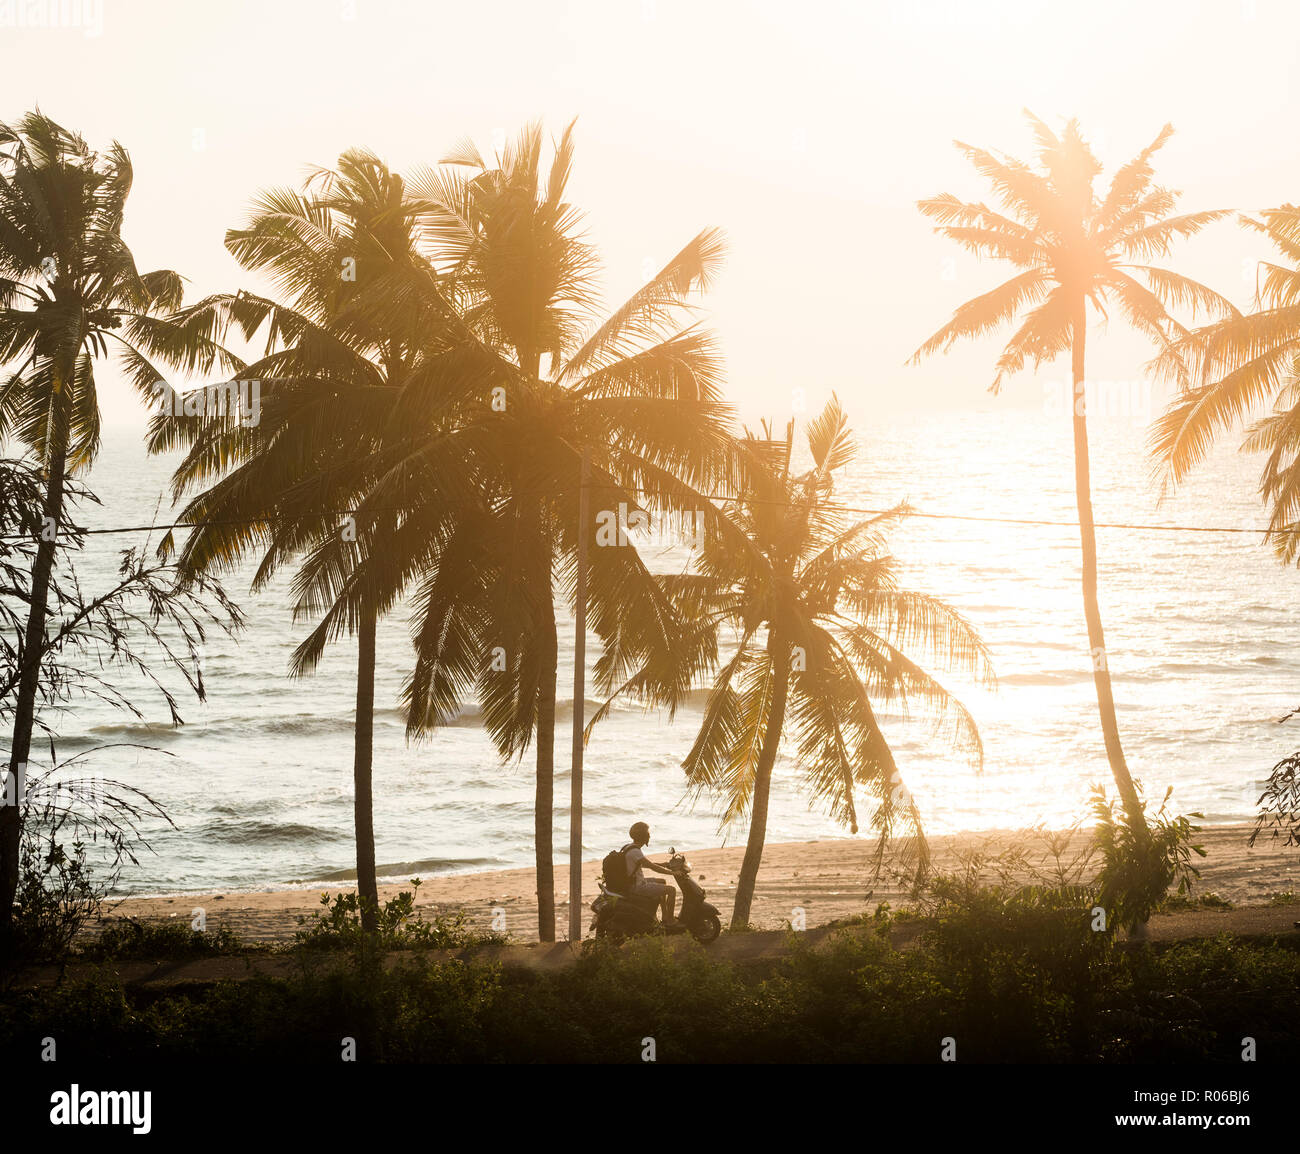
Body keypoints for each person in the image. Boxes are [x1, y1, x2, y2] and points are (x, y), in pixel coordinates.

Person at [621, 821, 679, 926]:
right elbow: (653, 867)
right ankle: (670, 921)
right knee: (671, 890)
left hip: (633, 882)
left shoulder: (629, 847)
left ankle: (665, 917)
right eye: (648, 834)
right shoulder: (635, 851)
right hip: (637, 886)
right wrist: (673, 873)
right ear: (643, 836)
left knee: (662, 881)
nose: (650, 836)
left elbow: (643, 864)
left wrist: (662, 864)